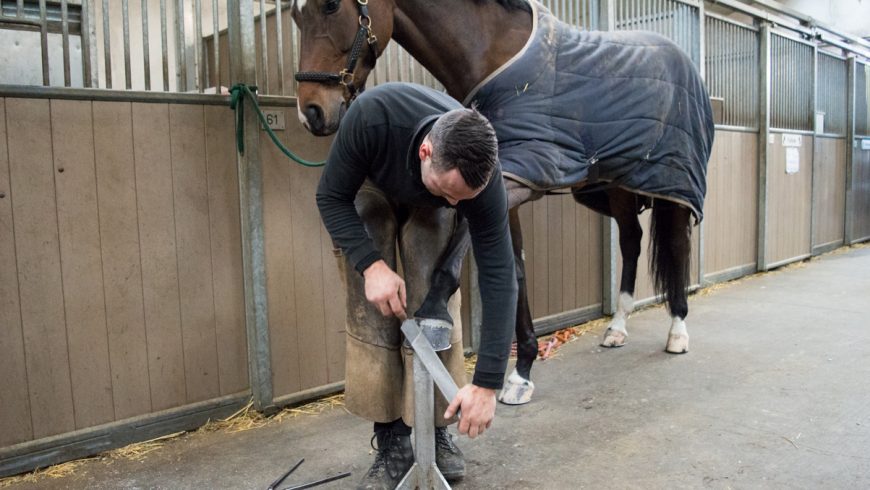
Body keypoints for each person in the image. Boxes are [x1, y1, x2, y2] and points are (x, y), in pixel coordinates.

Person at [316, 82, 517, 489]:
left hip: (430, 198)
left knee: (430, 273)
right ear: (427, 151)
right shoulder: (372, 118)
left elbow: (499, 273)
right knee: (372, 277)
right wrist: (370, 266)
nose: (460, 204)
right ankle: (391, 436)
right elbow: (331, 196)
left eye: (467, 197)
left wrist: (488, 383)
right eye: (452, 192)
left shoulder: (476, 179)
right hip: (374, 183)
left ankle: (435, 427)